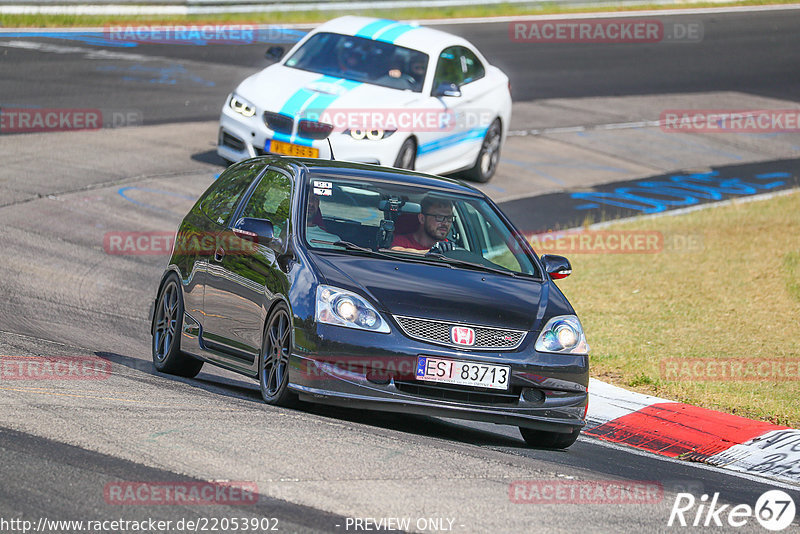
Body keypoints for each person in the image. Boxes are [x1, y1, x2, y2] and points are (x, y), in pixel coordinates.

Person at [391, 196, 456, 254]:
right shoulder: (402, 242)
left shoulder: (450, 247)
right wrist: (432, 252)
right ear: (422, 219)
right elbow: (394, 252)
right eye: (439, 217)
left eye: (449, 218)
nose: (445, 223)